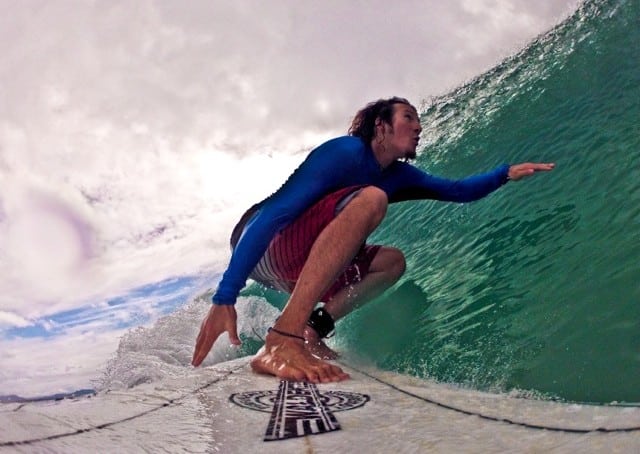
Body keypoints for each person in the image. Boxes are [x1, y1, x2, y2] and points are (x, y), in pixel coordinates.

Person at [191, 97, 554, 383]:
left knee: (391, 263)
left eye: (418, 119)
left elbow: (457, 191)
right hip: (263, 242)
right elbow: (275, 213)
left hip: (295, 265)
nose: (418, 126)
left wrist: (504, 174)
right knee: (371, 199)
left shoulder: (398, 175)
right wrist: (226, 295)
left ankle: (311, 329)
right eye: (408, 117)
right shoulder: (346, 152)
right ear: (380, 126)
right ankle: (282, 340)